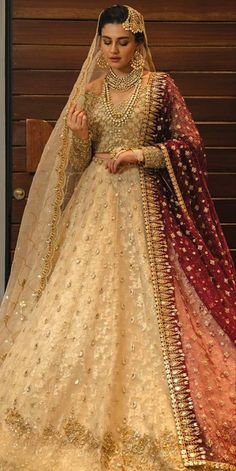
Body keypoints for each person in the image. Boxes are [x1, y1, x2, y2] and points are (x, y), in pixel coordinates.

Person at [0, 4, 235, 470]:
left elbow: (190, 147)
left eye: (122, 42)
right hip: (95, 207)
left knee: (151, 299)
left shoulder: (160, 87)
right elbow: (78, 161)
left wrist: (140, 155)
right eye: (106, 41)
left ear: (139, 43)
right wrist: (82, 135)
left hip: (147, 205)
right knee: (82, 301)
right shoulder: (89, 91)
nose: (113, 50)